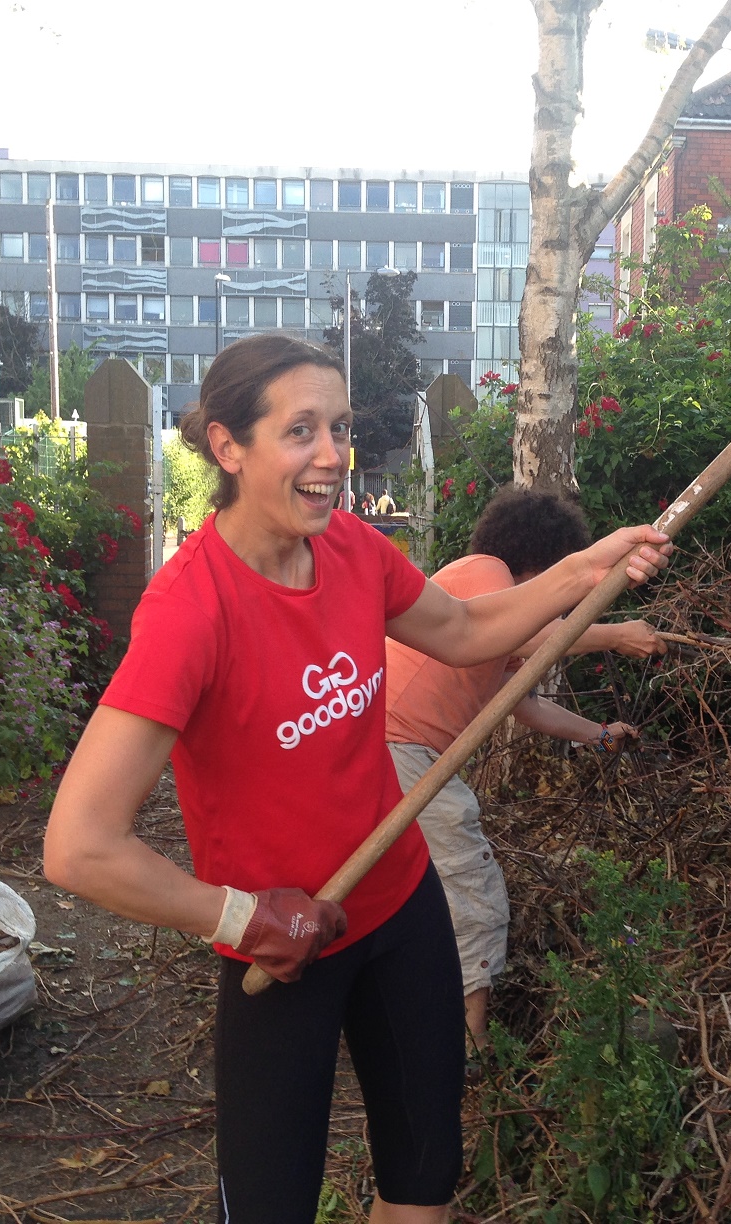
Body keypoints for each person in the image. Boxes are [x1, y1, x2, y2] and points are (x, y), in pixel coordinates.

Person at [42, 334, 670, 1224]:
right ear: (228, 446)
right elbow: (78, 847)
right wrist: (245, 916)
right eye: (301, 431)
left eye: (338, 427)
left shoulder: (352, 549)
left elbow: (461, 631)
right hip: (280, 954)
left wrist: (581, 569)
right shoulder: (190, 613)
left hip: (402, 908)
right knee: (271, 1206)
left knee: (423, 1176)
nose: (333, 455)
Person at [385, 488, 664, 1052]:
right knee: (471, 880)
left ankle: (403, 1010)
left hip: (406, 753)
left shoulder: (499, 621)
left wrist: (597, 734)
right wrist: (615, 634)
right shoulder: (482, 573)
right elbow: (541, 634)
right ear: (542, 556)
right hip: (397, 746)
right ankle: (471, 1045)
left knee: (404, 885)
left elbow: (523, 702)